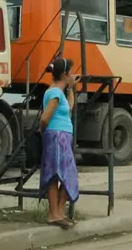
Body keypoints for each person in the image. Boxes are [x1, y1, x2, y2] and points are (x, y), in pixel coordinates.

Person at [39, 57, 80, 230]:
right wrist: (45, 132)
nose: (73, 75)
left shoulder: (58, 92)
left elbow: (70, 107)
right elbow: (44, 118)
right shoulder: (55, 93)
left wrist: (71, 88)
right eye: (70, 73)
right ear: (64, 74)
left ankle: (58, 213)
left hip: (61, 136)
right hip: (57, 136)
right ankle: (54, 214)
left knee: (63, 174)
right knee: (58, 174)